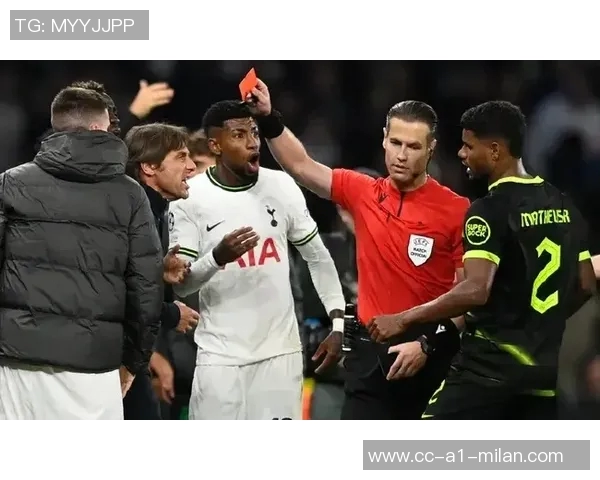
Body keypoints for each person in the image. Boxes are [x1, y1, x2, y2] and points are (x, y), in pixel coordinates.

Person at [247, 79, 468, 420]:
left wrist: (427, 345)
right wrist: (267, 118)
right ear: (384, 138)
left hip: (429, 356)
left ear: (431, 148)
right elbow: (301, 165)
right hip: (367, 359)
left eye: (413, 146)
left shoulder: (456, 209)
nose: (401, 155)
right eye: (395, 143)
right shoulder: (363, 191)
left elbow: (468, 296)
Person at [370, 100, 597, 419]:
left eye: (468, 146)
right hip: (541, 374)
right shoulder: (563, 205)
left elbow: (475, 290)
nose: (461, 154)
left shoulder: (488, 210)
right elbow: (586, 284)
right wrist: (540, 324)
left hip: (487, 371)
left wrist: (403, 319)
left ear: (494, 150)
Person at [168, 100, 346, 420]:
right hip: (220, 358)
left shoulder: (281, 185)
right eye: (239, 135)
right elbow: (182, 287)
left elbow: (317, 256)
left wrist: (338, 323)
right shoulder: (188, 198)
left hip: (280, 357)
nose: (252, 142)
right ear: (215, 146)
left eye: (254, 132)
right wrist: (217, 258)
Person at [0, 85, 164, 419]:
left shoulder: (10, 183)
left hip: (18, 361)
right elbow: (146, 288)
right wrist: (134, 361)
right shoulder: (131, 195)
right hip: (96, 366)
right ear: (99, 127)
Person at [123, 122, 200, 420]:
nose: (191, 167)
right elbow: (118, 290)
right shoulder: (132, 213)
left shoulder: (157, 211)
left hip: (131, 354)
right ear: (149, 167)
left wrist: (160, 274)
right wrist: (170, 313)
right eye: (181, 157)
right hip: (112, 356)